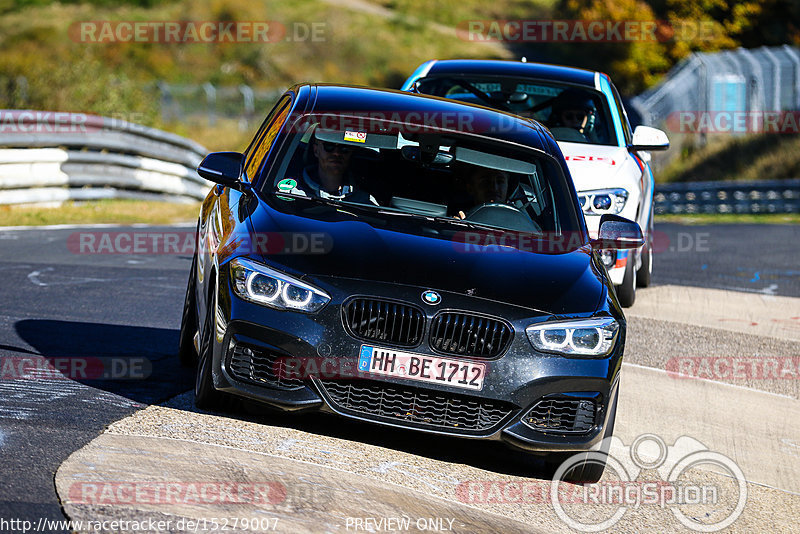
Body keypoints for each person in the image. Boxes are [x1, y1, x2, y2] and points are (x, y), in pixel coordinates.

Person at [287, 135, 377, 205]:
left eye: (344, 147)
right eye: (329, 146)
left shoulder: (364, 201)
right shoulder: (292, 193)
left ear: (351, 153)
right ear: (316, 151)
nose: (336, 153)